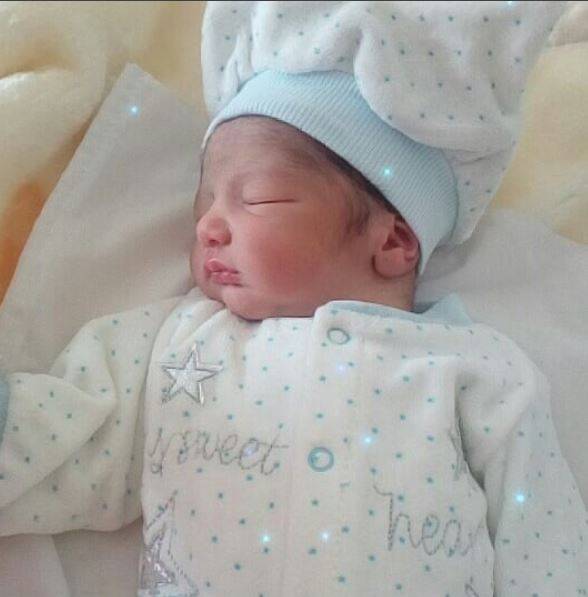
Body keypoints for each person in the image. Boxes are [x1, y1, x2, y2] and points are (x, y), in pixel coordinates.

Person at [1, 2, 586, 596]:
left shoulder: (477, 372)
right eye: (205, 204)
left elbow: (542, 543)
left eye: (256, 198)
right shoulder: (180, 343)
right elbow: (71, 437)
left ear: (392, 241)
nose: (207, 226)